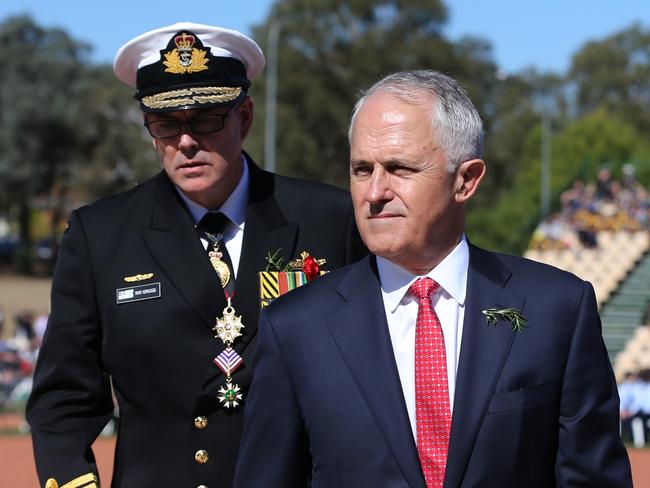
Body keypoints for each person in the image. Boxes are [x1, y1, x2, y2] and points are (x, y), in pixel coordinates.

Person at [234, 70, 632, 487]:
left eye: (399, 168)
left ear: (466, 180)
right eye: (361, 170)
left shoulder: (557, 310)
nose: (374, 193)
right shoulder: (296, 327)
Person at [26, 22, 366, 488]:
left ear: (244, 117)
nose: (185, 142)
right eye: (166, 124)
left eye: (205, 119)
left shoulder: (330, 220)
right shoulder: (100, 236)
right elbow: (65, 396)